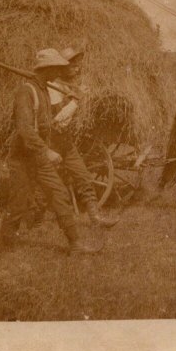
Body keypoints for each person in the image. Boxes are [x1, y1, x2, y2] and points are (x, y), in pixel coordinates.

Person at [0, 49, 102, 255]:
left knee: (59, 193)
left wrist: (69, 101)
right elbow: (25, 129)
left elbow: (48, 124)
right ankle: (2, 246)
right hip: (22, 157)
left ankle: (76, 244)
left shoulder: (44, 90)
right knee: (19, 203)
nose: (62, 71)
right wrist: (48, 151)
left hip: (39, 156)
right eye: (58, 68)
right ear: (48, 68)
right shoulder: (26, 91)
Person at [47, 47, 119, 228]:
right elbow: (58, 121)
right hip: (51, 142)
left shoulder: (70, 86)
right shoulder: (53, 88)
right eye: (73, 65)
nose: (77, 69)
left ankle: (96, 217)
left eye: (78, 65)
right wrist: (77, 100)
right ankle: (38, 223)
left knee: (83, 176)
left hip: (66, 141)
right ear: (62, 67)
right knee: (44, 185)